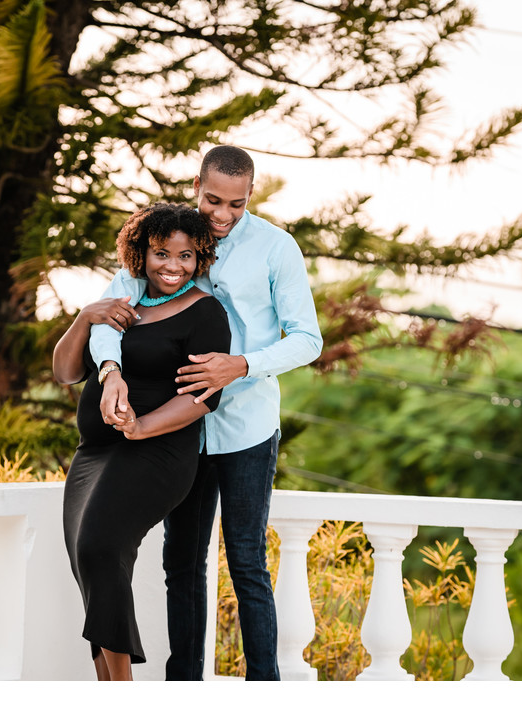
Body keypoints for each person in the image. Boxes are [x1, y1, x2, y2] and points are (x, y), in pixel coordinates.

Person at [88, 145, 323, 680]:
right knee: (182, 565)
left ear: (250, 196)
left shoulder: (276, 248)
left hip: (246, 429)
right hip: (180, 431)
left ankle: (264, 688)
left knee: (246, 564)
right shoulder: (171, 237)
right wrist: (109, 369)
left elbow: (308, 339)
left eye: (236, 205)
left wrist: (240, 365)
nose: (221, 215)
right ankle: (183, 689)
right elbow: (110, 308)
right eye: (213, 200)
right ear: (197, 185)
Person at [53, 203, 231, 681]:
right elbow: (66, 372)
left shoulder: (205, 313)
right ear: (141, 253)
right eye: (161, 254)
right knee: (86, 559)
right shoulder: (121, 305)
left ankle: (124, 692)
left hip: (157, 451)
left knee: (100, 545)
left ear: (201, 258)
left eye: (187, 256)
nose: (173, 266)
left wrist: (141, 426)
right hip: (94, 453)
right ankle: (110, 689)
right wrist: (84, 316)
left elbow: (202, 399)